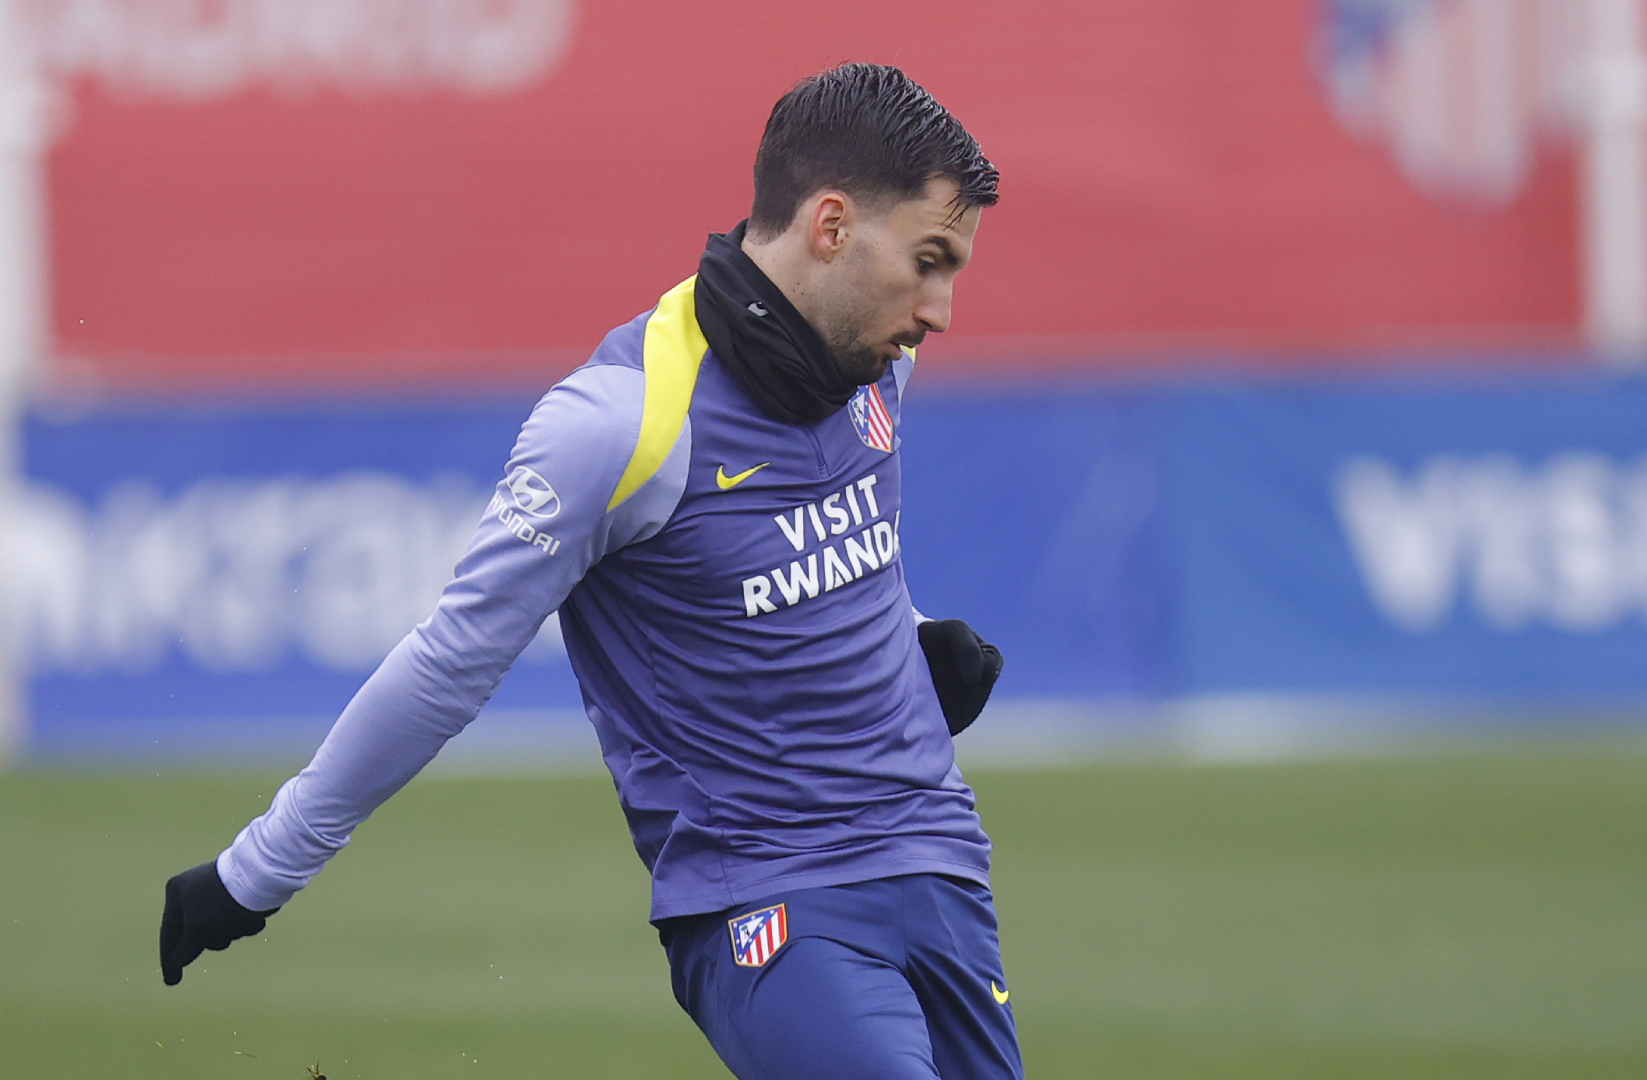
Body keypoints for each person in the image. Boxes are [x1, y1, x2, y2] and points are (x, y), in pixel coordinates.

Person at [157, 62, 1020, 1080]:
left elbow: (823, 562)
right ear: (830, 226)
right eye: (929, 260)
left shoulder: (877, 363)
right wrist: (258, 869)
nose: (942, 309)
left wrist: (918, 636)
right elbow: (448, 666)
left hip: (940, 861)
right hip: (769, 901)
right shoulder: (619, 425)